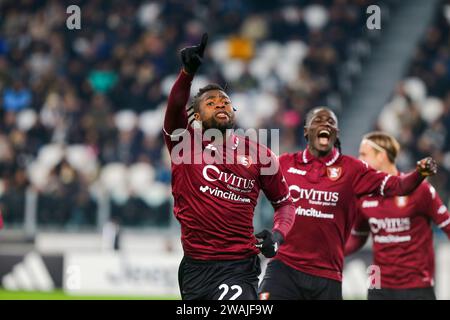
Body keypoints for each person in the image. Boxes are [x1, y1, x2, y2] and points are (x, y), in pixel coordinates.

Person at [163, 33, 295, 300]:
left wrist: (277, 236)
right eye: (210, 103)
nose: (220, 104)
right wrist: (187, 73)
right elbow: (176, 105)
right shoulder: (185, 144)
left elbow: (285, 203)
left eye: (224, 102)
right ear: (197, 116)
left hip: (238, 266)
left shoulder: (260, 154)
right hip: (194, 268)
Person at [258, 107, 437, 300]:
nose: (326, 123)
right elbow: (248, 186)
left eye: (331, 122)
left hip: (326, 275)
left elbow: (398, 186)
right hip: (285, 268)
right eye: (319, 120)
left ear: (336, 134)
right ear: (306, 130)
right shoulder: (284, 164)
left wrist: (420, 174)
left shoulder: (354, 170)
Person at [344, 131, 450, 300]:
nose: (359, 160)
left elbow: (447, 226)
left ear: (382, 156)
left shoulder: (421, 190)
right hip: (378, 284)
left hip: (416, 286)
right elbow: (358, 237)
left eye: (364, 154)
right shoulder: (363, 195)